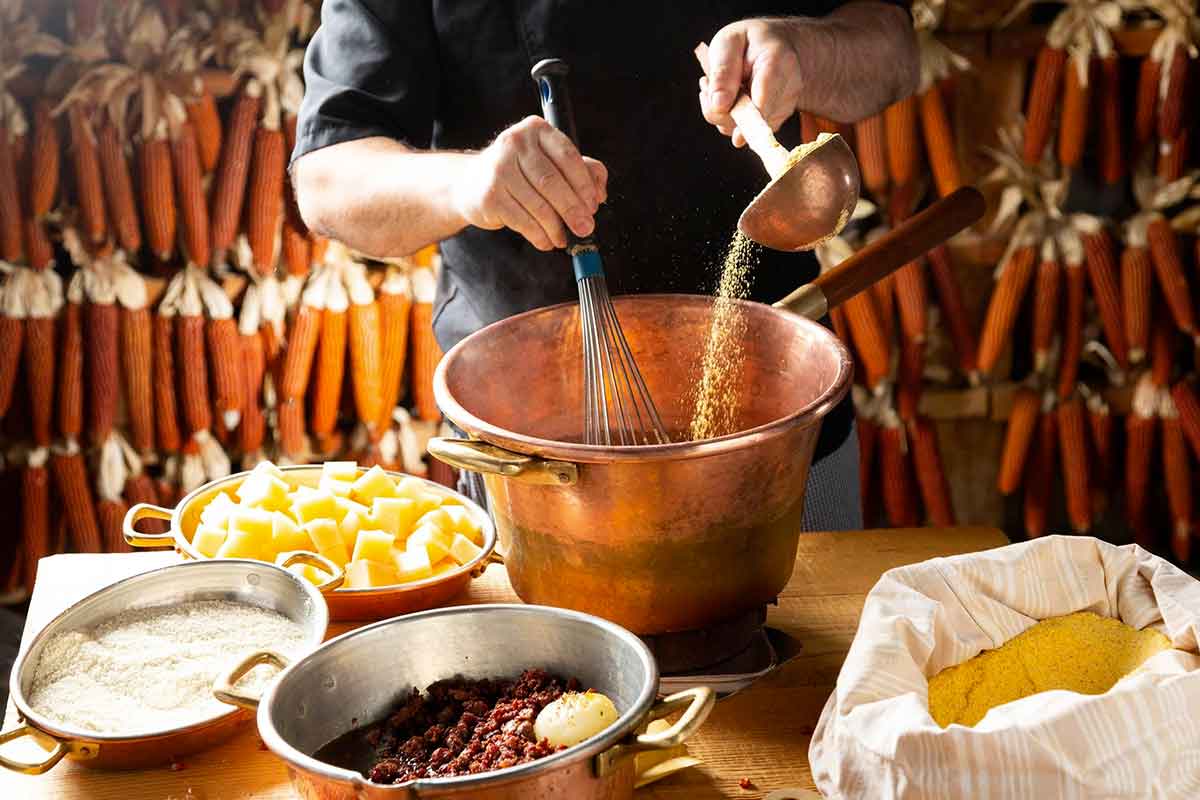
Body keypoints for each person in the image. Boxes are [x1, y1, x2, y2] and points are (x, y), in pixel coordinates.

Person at [292, 2, 919, 532]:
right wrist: (466, 182)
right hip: (531, 459)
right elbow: (327, 180)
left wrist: (806, 50)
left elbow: (892, 50)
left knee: (818, 640)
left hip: (778, 432)